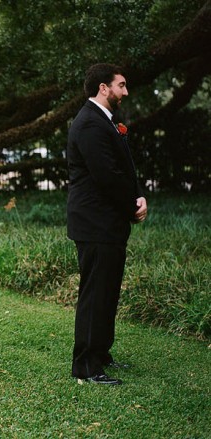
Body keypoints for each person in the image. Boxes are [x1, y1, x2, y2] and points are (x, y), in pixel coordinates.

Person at [66, 64, 147, 385]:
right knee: (95, 294)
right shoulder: (88, 124)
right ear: (103, 87)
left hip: (108, 225)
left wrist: (138, 196)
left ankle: (101, 353)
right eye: (122, 85)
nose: (126, 92)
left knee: (108, 293)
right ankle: (85, 365)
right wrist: (131, 207)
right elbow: (106, 177)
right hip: (94, 224)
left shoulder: (106, 122)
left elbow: (123, 168)